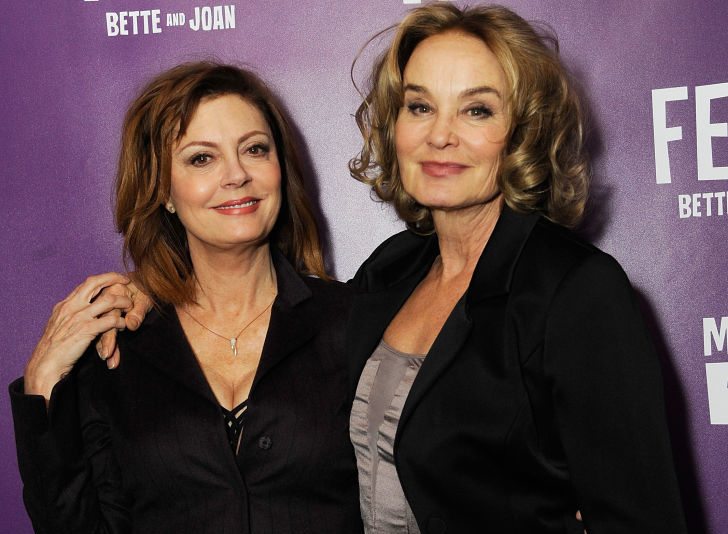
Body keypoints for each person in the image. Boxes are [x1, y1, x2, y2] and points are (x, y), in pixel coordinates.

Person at [343, 3, 688, 533]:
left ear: (523, 131)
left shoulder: (575, 291)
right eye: (420, 107)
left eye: (476, 110)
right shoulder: (389, 271)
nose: (440, 135)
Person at [10, 62, 363, 533]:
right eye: (202, 158)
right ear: (165, 192)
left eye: (255, 149)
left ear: (281, 169)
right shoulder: (120, 348)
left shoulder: (353, 322)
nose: (236, 174)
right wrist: (44, 379)